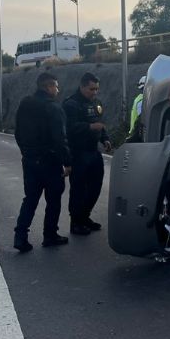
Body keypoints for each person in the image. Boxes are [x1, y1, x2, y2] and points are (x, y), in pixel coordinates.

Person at [13, 72, 72, 253]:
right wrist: (67, 162)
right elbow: (59, 138)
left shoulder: (25, 104)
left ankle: (20, 236)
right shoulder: (53, 107)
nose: (57, 89)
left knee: (30, 199)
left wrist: (26, 152)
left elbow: (17, 132)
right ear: (48, 87)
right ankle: (50, 235)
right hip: (50, 161)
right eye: (55, 86)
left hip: (30, 160)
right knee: (53, 200)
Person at [63, 72, 112, 235]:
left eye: (97, 89)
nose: (95, 92)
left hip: (93, 151)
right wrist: (89, 128)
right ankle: (75, 222)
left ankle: (85, 216)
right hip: (78, 152)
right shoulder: (71, 104)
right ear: (82, 86)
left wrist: (105, 139)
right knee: (78, 189)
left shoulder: (96, 103)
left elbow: (100, 124)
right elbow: (69, 129)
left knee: (95, 186)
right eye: (91, 89)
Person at [127, 76, 146, 143]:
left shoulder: (139, 99)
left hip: (137, 131)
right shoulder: (143, 100)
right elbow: (141, 118)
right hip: (138, 131)